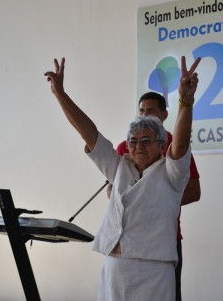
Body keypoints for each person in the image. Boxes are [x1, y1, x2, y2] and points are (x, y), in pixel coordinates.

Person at [44, 56, 200, 300]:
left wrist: (186, 101)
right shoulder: (119, 167)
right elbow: (88, 133)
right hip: (115, 266)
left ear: (162, 146)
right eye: (133, 141)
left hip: (155, 270)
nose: (138, 146)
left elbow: (180, 144)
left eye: (146, 140)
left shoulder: (171, 173)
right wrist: (60, 94)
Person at [110, 91, 201, 301]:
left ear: (164, 114)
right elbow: (112, 190)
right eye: (141, 110)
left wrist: (156, 201)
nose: (144, 115)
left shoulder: (176, 144)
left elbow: (194, 192)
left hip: (165, 237)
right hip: (125, 240)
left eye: (150, 110)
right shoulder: (126, 145)